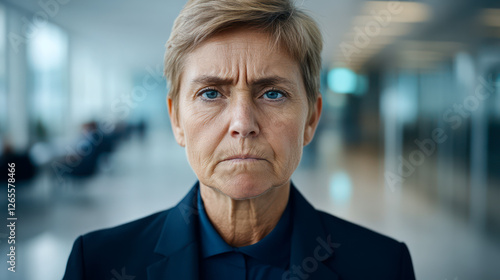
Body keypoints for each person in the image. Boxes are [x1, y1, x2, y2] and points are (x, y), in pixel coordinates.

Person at [63, 0, 416, 279]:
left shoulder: (383, 266)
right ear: (176, 120)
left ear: (311, 119)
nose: (243, 124)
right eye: (211, 93)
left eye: (273, 93)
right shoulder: (95, 264)